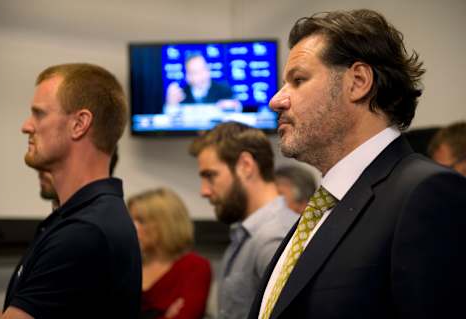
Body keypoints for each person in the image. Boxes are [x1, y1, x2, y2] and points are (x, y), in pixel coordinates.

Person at [247, 9, 466, 319]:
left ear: (358, 81)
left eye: (298, 80)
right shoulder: (323, 206)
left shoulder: (426, 194)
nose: (276, 100)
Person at [0, 63, 142, 319]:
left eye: (39, 114)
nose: (26, 126)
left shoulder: (85, 232)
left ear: (79, 124)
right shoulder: (81, 218)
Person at [188, 122, 298, 319]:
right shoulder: (246, 233)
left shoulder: (275, 239)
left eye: (210, 176)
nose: (203, 191)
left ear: (246, 166)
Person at [127, 188, 212, 319]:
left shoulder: (195, 267)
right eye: (131, 220)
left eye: (141, 221)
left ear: (166, 224)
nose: (131, 227)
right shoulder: (128, 265)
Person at [165, 53, 241, 112]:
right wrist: (171, 104)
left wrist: (232, 106)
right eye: (194, 72)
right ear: (187, 76)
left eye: (202, 70)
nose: (199, 76)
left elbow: (238, 109)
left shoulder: (224, 89)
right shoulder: (181, 94)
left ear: (208, 71)